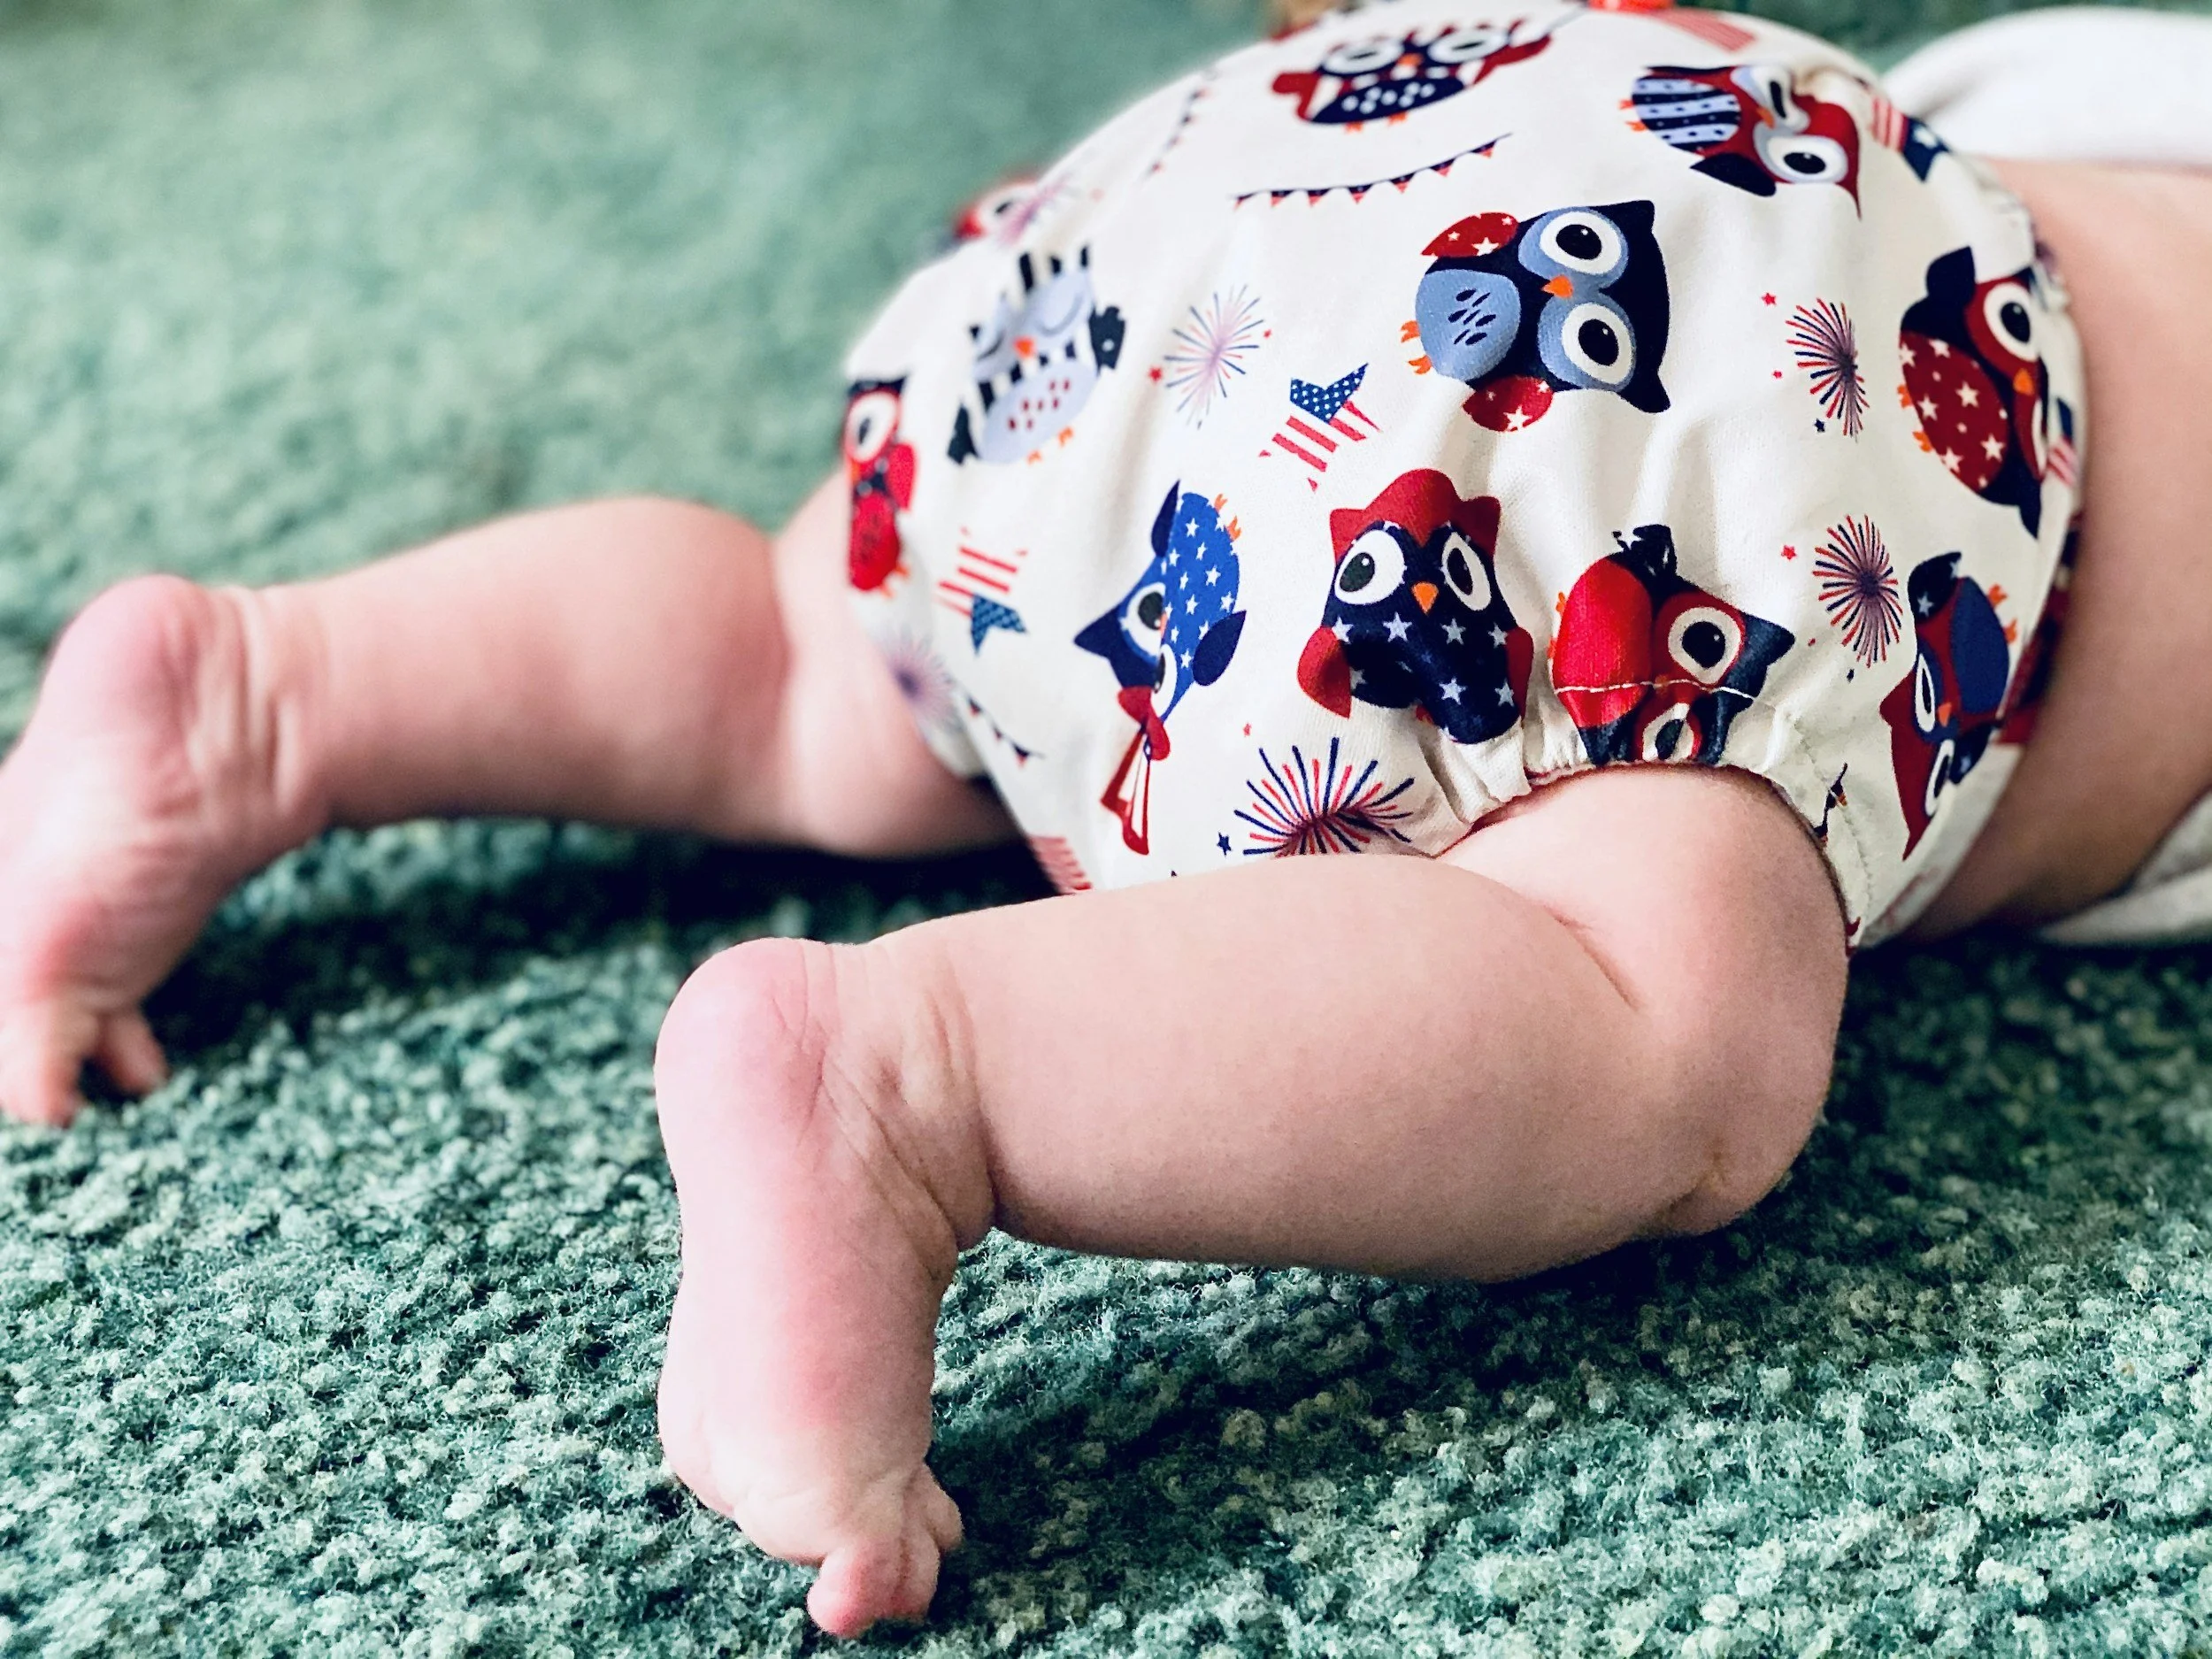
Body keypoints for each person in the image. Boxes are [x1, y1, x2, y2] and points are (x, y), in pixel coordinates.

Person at [2, 0, 2209, 1637]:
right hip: (1743, 414)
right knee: (1671, 1023)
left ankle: (270, 694)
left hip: (1352, 166)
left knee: (806, 665)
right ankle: (923, 1088)